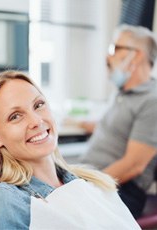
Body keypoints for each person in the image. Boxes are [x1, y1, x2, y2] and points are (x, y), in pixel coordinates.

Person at [0, 70, 140, 229]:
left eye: (39, 105)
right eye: (15, 116)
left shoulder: (94, 183)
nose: (36, 121)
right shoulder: (7, 200)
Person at [76, 24, 157, 219]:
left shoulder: (152, 101)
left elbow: (133, 165)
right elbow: (119, 128)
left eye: (114, 49)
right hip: (94, 178)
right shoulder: (123, 94)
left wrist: (84, 187)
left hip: (120, 190)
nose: (108, 57)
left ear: (136, 56)